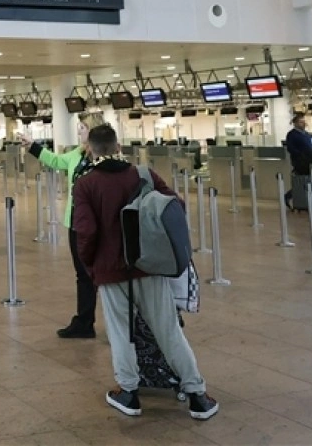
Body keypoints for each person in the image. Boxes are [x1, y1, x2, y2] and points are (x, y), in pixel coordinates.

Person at [72, 124, 219, 421]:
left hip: (110, 270)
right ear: (117, 145)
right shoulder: (143, 174)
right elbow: (175, 205)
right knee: (168, 330)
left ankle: (129, 392)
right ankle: (197, 395)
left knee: (120, 333)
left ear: (91, 147)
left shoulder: (85, 184)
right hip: (149, 266)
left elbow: (85, 232)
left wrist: (91, 266)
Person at [19, 113, 101, 338]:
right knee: (83, 275)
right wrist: (33, 147)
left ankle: (121, 323)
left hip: (100, 224)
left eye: (83, 127)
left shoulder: (107, 157)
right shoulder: (76, 154)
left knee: (106, 274)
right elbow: (56, 161)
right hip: (76, 222)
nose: (79, 131)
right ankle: (84, 322)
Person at [282, 113, 312, 209]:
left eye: (303, 122)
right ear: (295, 123)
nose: (303, 123)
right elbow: (290, 148)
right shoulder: (292, 134)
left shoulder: (306, 134)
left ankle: (305, 200)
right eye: (300, 122)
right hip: (299, 161)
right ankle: (288, 196)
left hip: (309, 160)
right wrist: (300, 154)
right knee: (300, 181)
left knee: (307, 181)